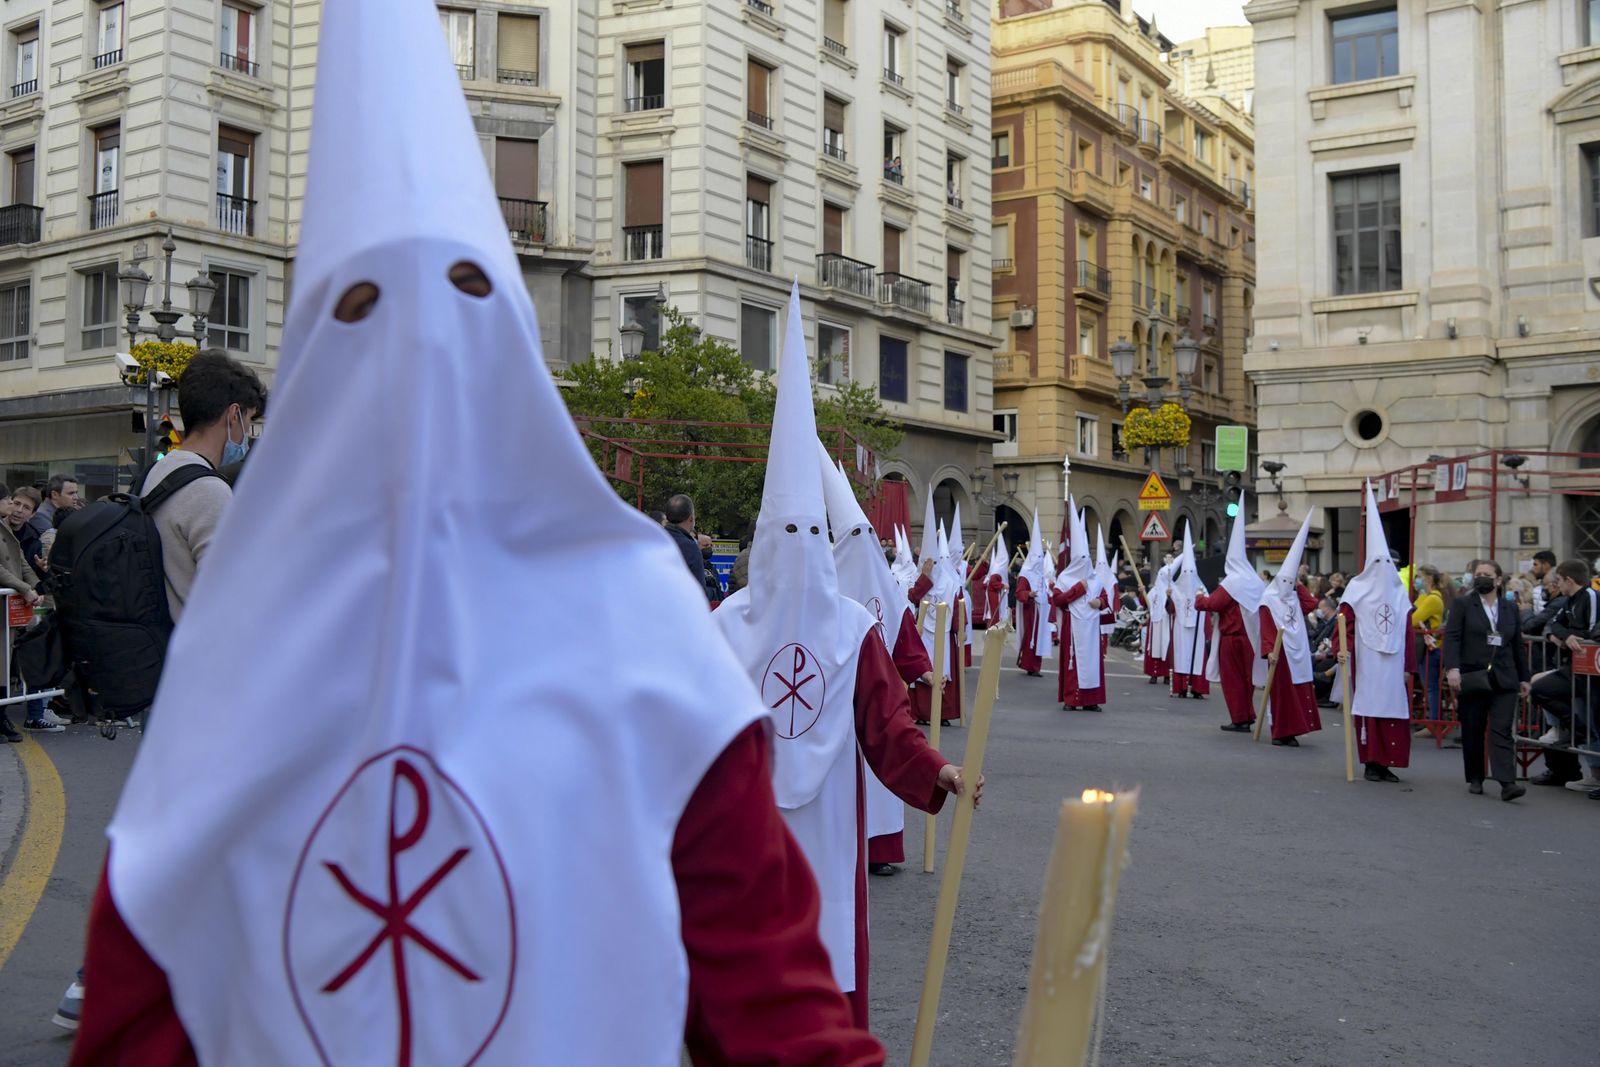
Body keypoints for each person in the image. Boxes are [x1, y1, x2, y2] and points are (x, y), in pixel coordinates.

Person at [69, 4, 889, 1061]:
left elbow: (776, 1009)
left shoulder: (644, 639)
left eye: (461, 296)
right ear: (316, 376)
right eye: (363, 309)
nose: (417, 354)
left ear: (506, 342)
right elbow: (146, 1012)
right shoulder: (239, 668)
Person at [714, 285, 978, 1029]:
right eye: (785, 537)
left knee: (818, 965)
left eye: (810, 536)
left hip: (827, 825)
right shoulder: (723, 627)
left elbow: (887, 728)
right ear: (765, 538)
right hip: (745, 826)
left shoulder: (850, 630)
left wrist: (940, 771)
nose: (799, 555)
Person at [818, 452, 934, 878]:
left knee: (885, 770)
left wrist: (922, 670)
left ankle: (881, 847)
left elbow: (904, 632)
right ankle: (846, 844)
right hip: (838, 703)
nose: (865, 541)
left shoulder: (885, 585)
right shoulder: (824, 581)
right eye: (858, 534)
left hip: (881, 698)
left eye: (869, 533)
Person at [141, 353, 266, 622]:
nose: (250, 433)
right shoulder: (208, 491)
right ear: (234, 414)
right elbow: (230, 601)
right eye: (251, 421)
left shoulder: (157, 472)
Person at [1336, 483, 1414, 783]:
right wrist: (1341, 648)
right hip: (1367, 660)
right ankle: (1371, 761)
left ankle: (1388, 761)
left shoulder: (1398, 593)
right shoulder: (1356, 589)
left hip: (1392, 663)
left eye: (1387, 563)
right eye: (1378, 562)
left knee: (1392, 710)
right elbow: (1344, 623)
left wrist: (1409, 665)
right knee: (1369, 708)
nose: (1383, 568)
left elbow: (1407, 630)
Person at [1442, 560, 1530, 800]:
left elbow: (1517, 645)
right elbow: (1452, 638)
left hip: (1504, 676)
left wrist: (1524, 677)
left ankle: (1506, 782)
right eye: (1477, 574)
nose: (1481, 577)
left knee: (1502, 730)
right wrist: (1452, 668)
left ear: (1498, 580)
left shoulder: (1509, 608)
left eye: (1486, 574)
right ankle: (1476, 776)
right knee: (1473, 728)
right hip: (1472, 675)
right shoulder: (1463, 604)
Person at [1193, 496, 1266, 733]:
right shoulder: (1254, 581)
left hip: (1232, 639)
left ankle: (1240, 717)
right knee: (1247, 679)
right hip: (1251, 638)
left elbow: (1213, 603)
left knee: (1233, 680)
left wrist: (1197, 598)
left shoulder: (1232, 582)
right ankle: (1248, 713)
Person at [1527, 559, 1599, 790]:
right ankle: (1569, 728)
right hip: (1574, 666)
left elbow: (1588, 632)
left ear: (1569, 580)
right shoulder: (1569, 600)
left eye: (1559, 580)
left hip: (1590, 670)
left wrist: (1567, 636)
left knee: (1593, 720)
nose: (1556, 585)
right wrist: (1555, 637)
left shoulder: (1590, 596)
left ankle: (1576, 734)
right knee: (1538, 687)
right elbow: (1554, 624)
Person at [1258, 510, 1322, 747]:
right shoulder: (1268, 599)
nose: (1287, 586)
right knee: (1283, 693)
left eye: (1290, 582)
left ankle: (1296, 727)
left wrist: (1298, 586)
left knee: (1298, 689)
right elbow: (1266, 627)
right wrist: (1269, 651)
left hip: (1298, 649)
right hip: (1280, 651)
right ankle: (1281, 731)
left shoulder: (1295, 596)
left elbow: (1311, 605)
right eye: (1284, 581)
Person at [1049, 501, 1105, 712]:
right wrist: (1078, 589)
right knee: (1073, 663)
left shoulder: (1095, 579)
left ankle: (1091, 700)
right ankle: (1072, 699)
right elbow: (1058, 601)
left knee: (1091, 664)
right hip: (1072, 628)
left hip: (1090, 628)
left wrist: (1099, 602)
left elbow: (1105, 599)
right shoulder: (1064, 578)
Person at [1168, 527, 1211, 699]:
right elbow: (1171, 610)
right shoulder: (1176, 589)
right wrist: (1169, 598)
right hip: (1181, 630)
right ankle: (1181, 687)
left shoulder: (1202, 589)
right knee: (1181, 656)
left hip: (1197, 632)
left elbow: (1207, 609)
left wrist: (1206, 630)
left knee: (1197, 657)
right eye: (1185, 572)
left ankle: (1197, 688)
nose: (1188, 575)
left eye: (1191, 572)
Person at [1412, 565, 1450, 726]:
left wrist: (1421, 598)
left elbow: (1413, 619)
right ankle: (1432, 719)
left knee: (1431, 687)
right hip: (1426, 648)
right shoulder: (1427, 597)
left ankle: (1434, 721)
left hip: (1431, 648)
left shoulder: (1433, 598)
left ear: (1427, 578)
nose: (1416, 581)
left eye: (1418, 576)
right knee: (1428, 686)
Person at [1014, 511, 1050, 677]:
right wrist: (1029, 594)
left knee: (1039, 637)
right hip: (1031, 611)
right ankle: (1030, 665)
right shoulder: (1026, 574)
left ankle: (1036, 665)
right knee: (1031, 637)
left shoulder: (1041, 575)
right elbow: (1019, 592)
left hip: (1040, 611)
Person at [664, 493, 717, 604]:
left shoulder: (656, 540)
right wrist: (713, 591)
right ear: (691, 518)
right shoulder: (689, 547)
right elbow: (699, 593)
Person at [1143, 562, 1172, 685]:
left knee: (1166, 648)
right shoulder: (1154, 591)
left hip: (1167, 623)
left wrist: (1169, 598)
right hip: (1155, 623)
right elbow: (1145, 603)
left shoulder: (1172, 589)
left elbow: (1173, 608)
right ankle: (1153, 674)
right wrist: (1142, 592)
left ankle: (1166, 675)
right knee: (1155, 648)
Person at [27, 474, 79, 541]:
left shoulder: (68, 513)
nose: (76, 497)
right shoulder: (39, 516)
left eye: (76, 493)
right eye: (71, 493)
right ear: (54, 495)